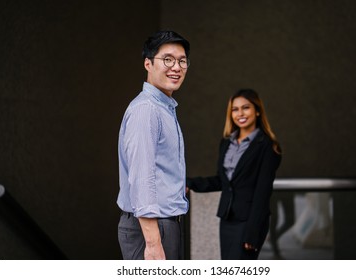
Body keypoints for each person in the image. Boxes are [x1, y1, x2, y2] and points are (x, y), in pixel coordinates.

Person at [117, 30, 190, 260]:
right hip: (151, 229)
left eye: (182, 61)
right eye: (167, 59)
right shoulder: (146, 109)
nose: (176, 67)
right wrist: (153, 241)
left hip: (165, 225)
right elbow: (142, 177)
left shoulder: (164, 107)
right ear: (148, 63)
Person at [187, 89, 282, 259]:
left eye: (246, 107)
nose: (240, 113)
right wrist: (189, 183)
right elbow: (221, 181)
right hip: (227, 218)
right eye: (235, 109)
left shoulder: (267, 147)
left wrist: (252, 232)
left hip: (249, 222)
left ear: (257, 111)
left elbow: (263, 192)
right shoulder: (226, 143)